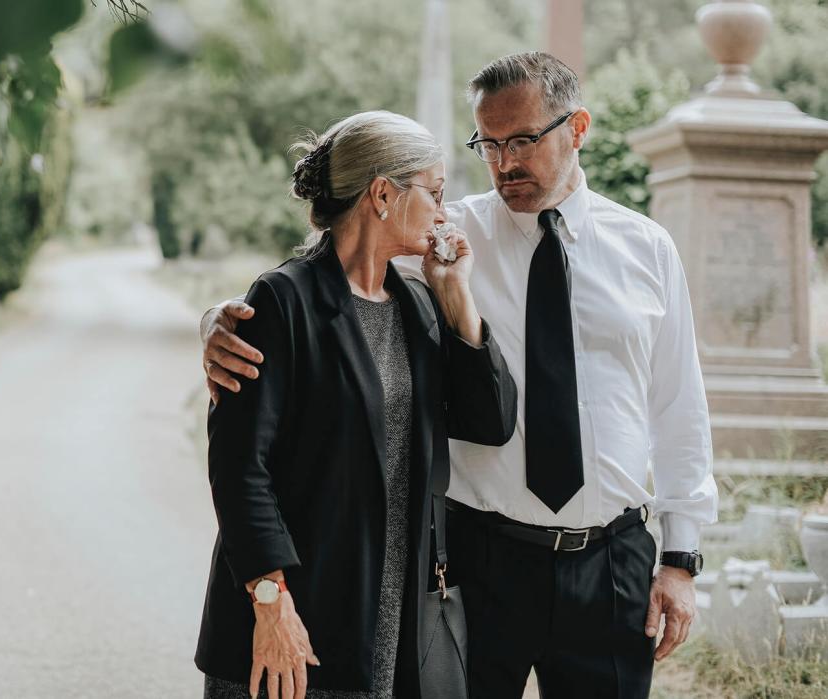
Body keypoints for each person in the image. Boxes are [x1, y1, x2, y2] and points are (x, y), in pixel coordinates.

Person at [200, 53, 718, 699]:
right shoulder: (443, 236)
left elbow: (677, 406)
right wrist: (221, 319)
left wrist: (680, 556)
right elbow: (323, 273)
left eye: (523, 140)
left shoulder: (643, 247)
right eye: (490, 144)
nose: (504, 163)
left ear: (577, 127)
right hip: (478, 559)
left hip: (610, 562)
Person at [195, 110, 517, 699]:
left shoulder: (417, 305)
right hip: (289, 624)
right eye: (436, 192)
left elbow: (490, 422)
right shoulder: (282, 300)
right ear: (383, 194)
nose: (445, 212)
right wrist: (272, 605)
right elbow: (241, 470)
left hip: (388, 629)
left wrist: (456, 296)